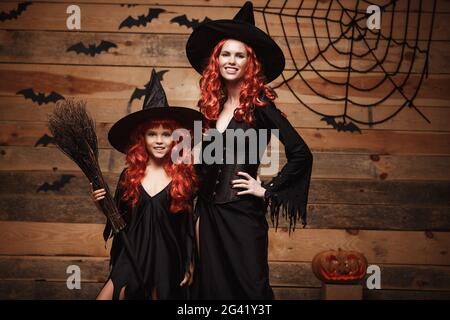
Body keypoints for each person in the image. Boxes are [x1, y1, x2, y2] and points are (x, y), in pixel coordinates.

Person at [185, 1, 314, 299]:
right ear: (216, 61)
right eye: (225, 54)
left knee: (251, 291)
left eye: (239, 55)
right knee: (211, 291)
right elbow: (201, 167)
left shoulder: (261, 106)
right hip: (207, 214)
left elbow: (301, 153)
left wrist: (266, 190)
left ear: (250, 63)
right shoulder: (210, 109)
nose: (231, 60)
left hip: (242, 215)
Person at [92, 69, 202, 300]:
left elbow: (189, 225)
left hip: (167, 256)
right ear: (142, 138)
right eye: (153, 134)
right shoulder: (129, 175)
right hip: (133, 254)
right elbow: (119, 220)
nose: (160, 140)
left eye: (166, 134)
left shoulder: (183, 175)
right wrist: (101, 204)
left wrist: (190, 261)